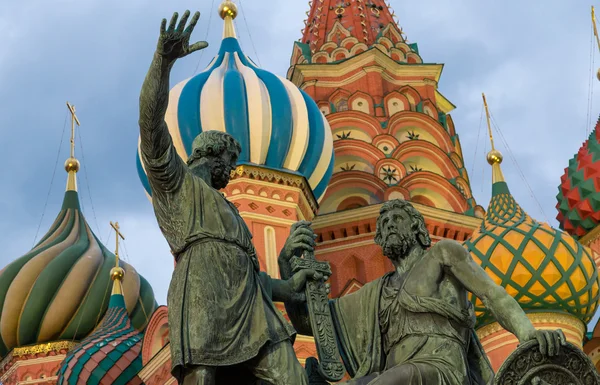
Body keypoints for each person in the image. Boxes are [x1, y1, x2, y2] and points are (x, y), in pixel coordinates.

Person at [139, 10, 315, 385]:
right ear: (212, 155)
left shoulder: (229, 212)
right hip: (203, 290)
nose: (232, 171)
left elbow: (250, 276)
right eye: (230, 162)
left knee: (291, 376)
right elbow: (150, 127)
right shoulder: (177, 183)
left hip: (252, 308)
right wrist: (162, 62)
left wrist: (289, 287)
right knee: (203, 377)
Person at [281, 199, 566, 385]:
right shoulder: (377, 292)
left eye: (397, 218)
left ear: (417, 228)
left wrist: (527, 333)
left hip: (441, 368)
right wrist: (286, 265)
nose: (390, 224)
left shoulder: (443, 254)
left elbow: (492, 294)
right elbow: (312, 322)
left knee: (390, 381)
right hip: (393, 373)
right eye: (384, 223)